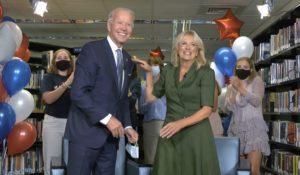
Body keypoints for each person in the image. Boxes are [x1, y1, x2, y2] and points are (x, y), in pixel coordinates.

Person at [133, 30, 220, 175]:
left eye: (193, 45)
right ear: (177, 49)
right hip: (170, 134)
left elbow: (207, 110)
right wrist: (148, 73)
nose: (187, 47)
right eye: (183, 43)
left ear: (198, 51)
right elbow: (150, 98)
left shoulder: (206, 73)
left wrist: (180, 124)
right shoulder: (168, 71)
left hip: (196, 134)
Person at [64, 7, 138, 175]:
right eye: (120, 23)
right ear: (109, 25)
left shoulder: (127, 59)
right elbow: (78, 92)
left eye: (129, 24)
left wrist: (127, 126)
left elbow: (122, 99)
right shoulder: (92, 50)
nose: (124, 28)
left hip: (110, 140)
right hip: (85, 135)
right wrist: (107, 119)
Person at [224, 57, 270, 175]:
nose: (241, 69)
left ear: (250, 69)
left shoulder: (256, 81)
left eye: (245, 67)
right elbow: (229, 108)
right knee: (240, 171)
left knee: (253, 171)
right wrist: (233, 90)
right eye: (239, 67)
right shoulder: (231, 86)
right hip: (237, 130)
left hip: (254, 130)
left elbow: (256, 101)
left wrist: (240, 87)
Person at [40, 48, 74, 175]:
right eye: (59, 58)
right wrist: (66, 84)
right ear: (54, 62)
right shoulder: (49, 78)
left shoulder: (78, 78)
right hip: (53, 123)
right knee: (52, 160)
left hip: (72, 123)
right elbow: (48, 99)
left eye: (66, 58)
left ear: (71, 61)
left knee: (72, 160)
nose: (63, 60)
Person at [139, 47, 167, 164]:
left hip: (165, 124)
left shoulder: (166, 84)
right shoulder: (144, 86)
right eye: (150, 64)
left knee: (165, 159)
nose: (153, 67)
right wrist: (149, 103)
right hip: (150, 124)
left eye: (155, 64)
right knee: (151, 158)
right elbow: (141, 109)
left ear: (160, 66)